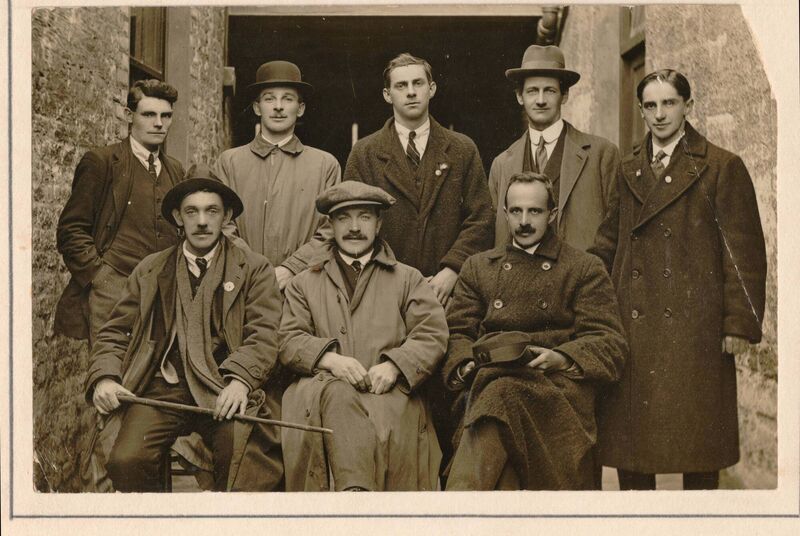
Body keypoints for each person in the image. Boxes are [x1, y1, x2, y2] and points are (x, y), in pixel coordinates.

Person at [590, 70, 767, 490]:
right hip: (633, 327)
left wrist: (737, 324)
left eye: (669, 103)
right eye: (650, 105)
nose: (659, 114)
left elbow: (743, 254)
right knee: (633, 453)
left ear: (689, 105)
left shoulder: (722, 166)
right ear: (641, 110)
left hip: (696, 329)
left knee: (699, 450)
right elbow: (608, 241)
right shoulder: (629, 168)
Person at [84, 164, 284, 492]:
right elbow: (116, 331)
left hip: (223, 387)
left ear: (227, 216)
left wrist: (241, 381)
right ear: (178, 217)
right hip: (161, 389)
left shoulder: (254, 269)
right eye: (192, 211)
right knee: (126, 459)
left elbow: (264, 334)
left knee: (241, 461)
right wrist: (104, 377)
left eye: (212, 211)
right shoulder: (151, 269)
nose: (202, 221)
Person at [443, 172, 627, 490]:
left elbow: (610, 342)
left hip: (555, 396)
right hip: (489, 382)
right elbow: (457, 332)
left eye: (535, 212)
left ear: (552, 215)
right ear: (505, 213)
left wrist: (560, 357)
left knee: (499, 402)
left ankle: (454, 512)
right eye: (516, 211)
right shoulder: (479, 267)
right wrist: (467, 364)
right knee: (499, 421)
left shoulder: (583, 268)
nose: (524, 222)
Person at [278, 181, 448, 491]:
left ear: (379, 223)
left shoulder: (407, 278)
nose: (354, 227)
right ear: (330, 225)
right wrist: (329, 360)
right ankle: (355, 498)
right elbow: (288, 338)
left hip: (388, 393)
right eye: (344, 218)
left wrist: (395, 365)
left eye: (365, 217)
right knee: (334, 399)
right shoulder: (303, 283)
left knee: (389, 432)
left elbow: (432, 334)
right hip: (320, 391)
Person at [343, 52, 493, 306]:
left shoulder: (462, 149)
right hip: (382, 292)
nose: (411, 92)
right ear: (387, 95)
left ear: (431, 89)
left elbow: (481, 218)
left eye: (418, 83)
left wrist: (452, 270)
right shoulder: (365, 153)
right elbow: (351, 225)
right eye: (401, 86)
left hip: (447, 294)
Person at [56, 79, 186, 345]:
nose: (159, 123)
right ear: (129, 116)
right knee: (111, 374)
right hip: (113, 290)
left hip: (164, 293)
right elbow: (71, 229)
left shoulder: (175, 170)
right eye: (149, 114)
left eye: (166, 115)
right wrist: (99, 277)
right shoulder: (102, 162)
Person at [216, 60, 341, 291]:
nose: (278, 107)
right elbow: (222, 224)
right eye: (269, 98)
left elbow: (332, 228)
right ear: (257, 107)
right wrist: (256, 269)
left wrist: (291, 268)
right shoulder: (230, 162)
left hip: (304, 286)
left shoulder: (325, 165)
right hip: (244, 284)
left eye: (288, 98)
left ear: (300, 108)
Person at [490, 45, 620, 252]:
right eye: (532, 91)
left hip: (580, 280)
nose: (540, 100)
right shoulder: (502, 164)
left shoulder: (601, 154)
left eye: (549, 91)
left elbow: (615, 228)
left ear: (564, 95)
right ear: (520, 96)